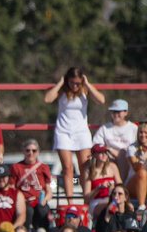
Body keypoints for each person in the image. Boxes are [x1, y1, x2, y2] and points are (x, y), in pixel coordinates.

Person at [44, 67, 106, 200]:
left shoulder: (84, 89)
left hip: (81, 132)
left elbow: (101, 100)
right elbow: (47, 99)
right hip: (63, 132)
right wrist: (60, 83)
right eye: (72, 82)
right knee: (67, 168)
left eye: (78, 83)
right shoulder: (62, 91)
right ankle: (70, 201)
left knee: (85, 167)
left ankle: (86, 199)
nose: (75, 86)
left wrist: (88, 84)